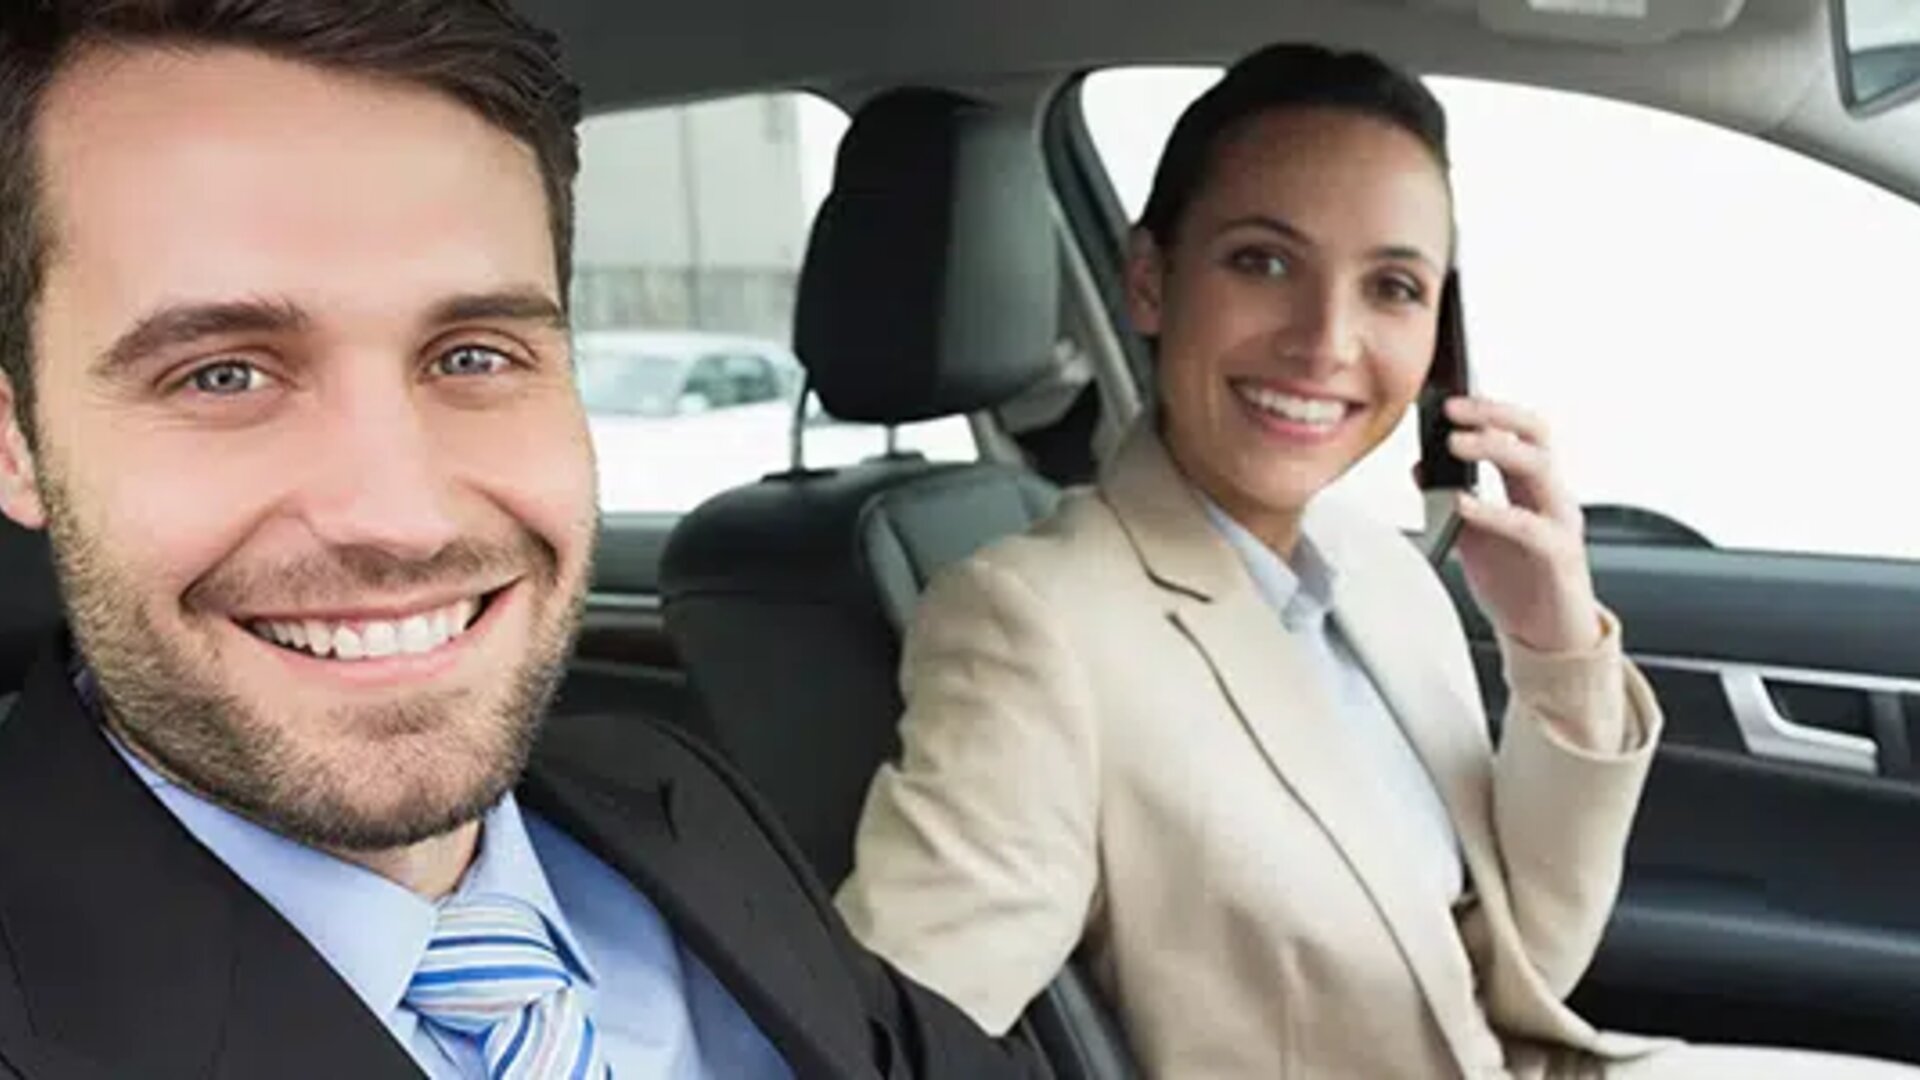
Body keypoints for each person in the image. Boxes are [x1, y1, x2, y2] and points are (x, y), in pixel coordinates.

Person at [835, 43, 1920, 1080]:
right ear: (1152, 283)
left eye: (1393, 288)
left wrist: (1554, 646)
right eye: (1263, 262)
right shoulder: (1031, 622)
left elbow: (1531, 960)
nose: (1326, 341)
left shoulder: (1379, 572)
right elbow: (887, 1028)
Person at [0, 3, 1043, 1078]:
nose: (402, 518)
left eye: (473, 356)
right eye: (221, 374)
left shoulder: (670, 801)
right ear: (16, 443)